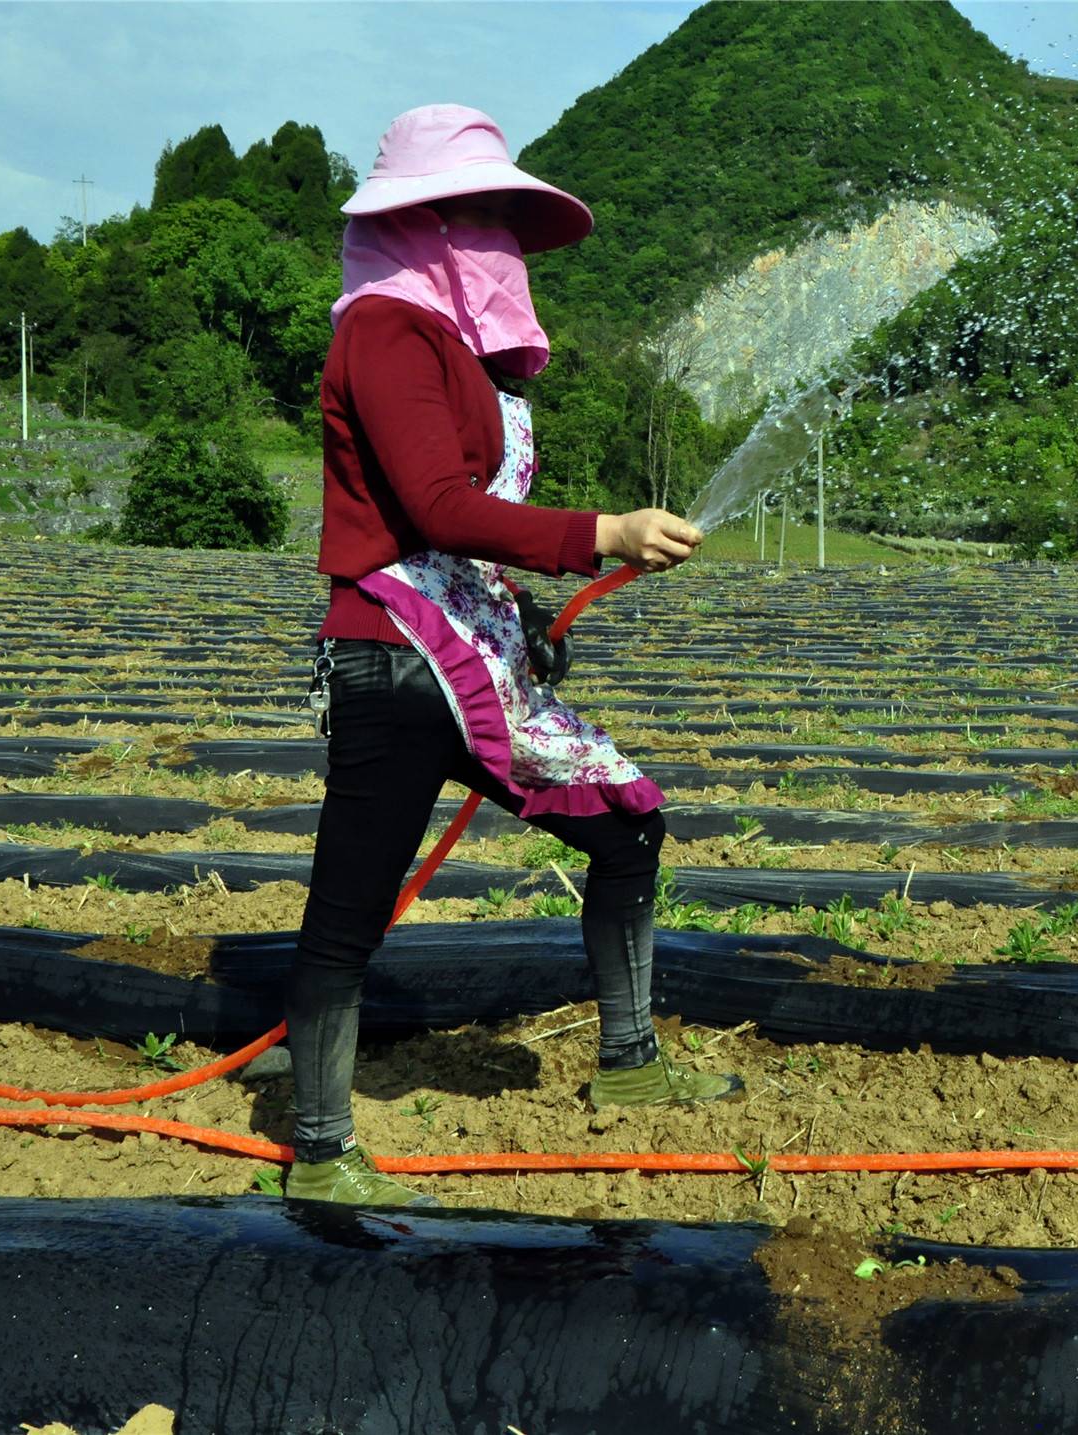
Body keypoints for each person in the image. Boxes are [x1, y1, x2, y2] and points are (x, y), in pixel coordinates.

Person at [284, 104, 741, 1209]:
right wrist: (604, 533)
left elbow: (470, 515)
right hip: (393, 660)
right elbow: (436, 506)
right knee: (349, 908)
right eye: (478, 213)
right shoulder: (385, 331)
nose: (498, 238)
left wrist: (526, 614)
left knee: (628, 824)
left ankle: (629, 1062)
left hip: (473, 649)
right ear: (424, 223)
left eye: (505, 217)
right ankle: (322, 1148)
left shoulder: (460, 350)